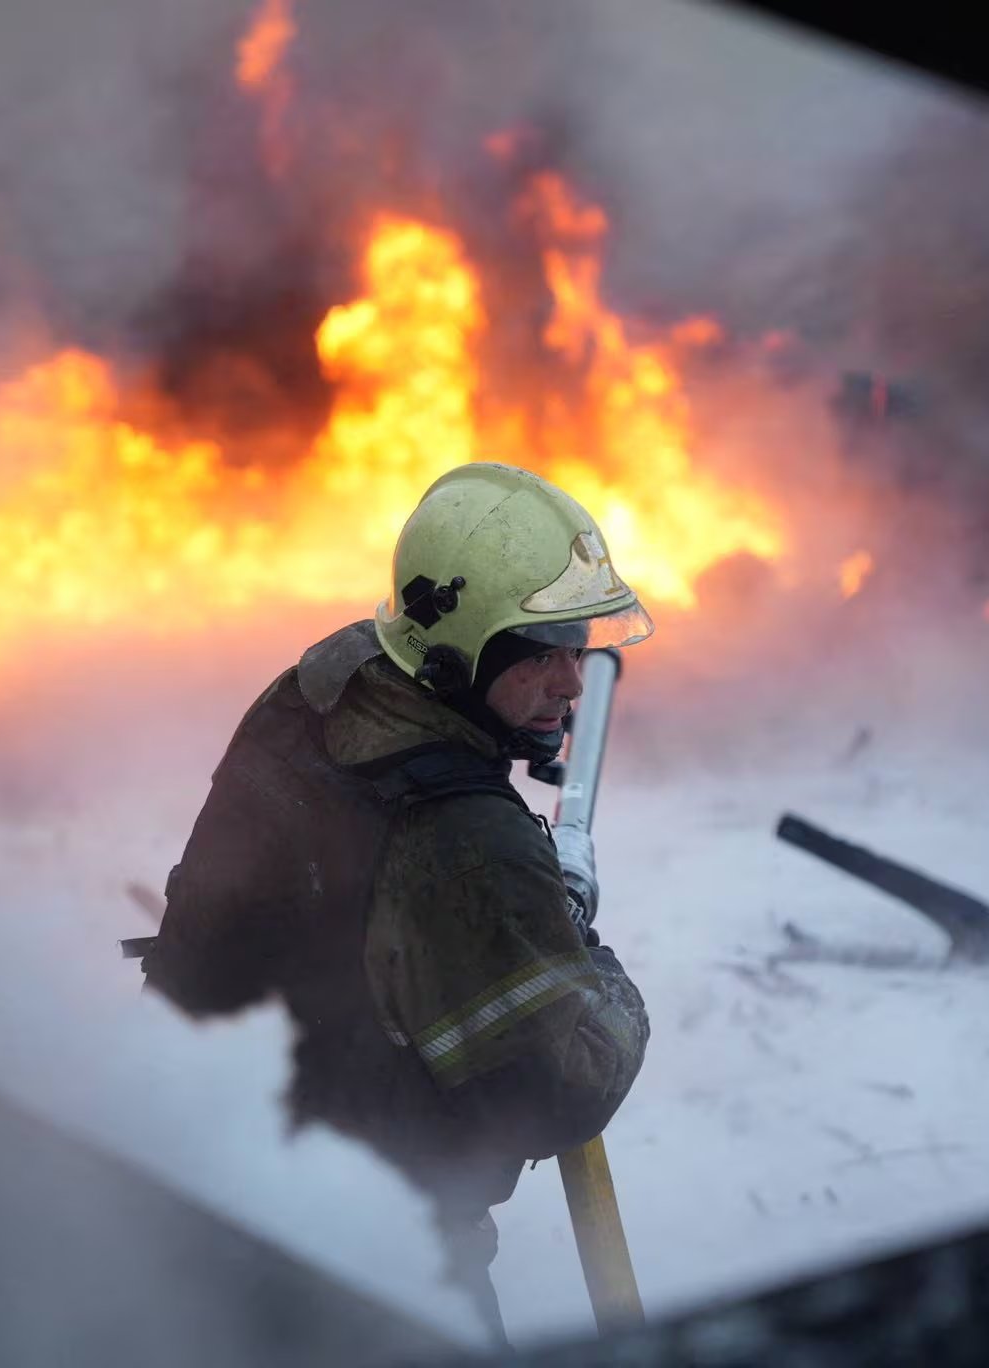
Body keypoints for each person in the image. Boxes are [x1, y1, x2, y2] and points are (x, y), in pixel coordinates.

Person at [143, 462, 653, 1341]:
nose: (572, 685)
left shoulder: (318, 698)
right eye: (541, 655)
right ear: (461, 651)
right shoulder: (466, 839)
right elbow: (555, 1092)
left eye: (577, 649)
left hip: (192, 1181)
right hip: (377, 1266)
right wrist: (591, 964)